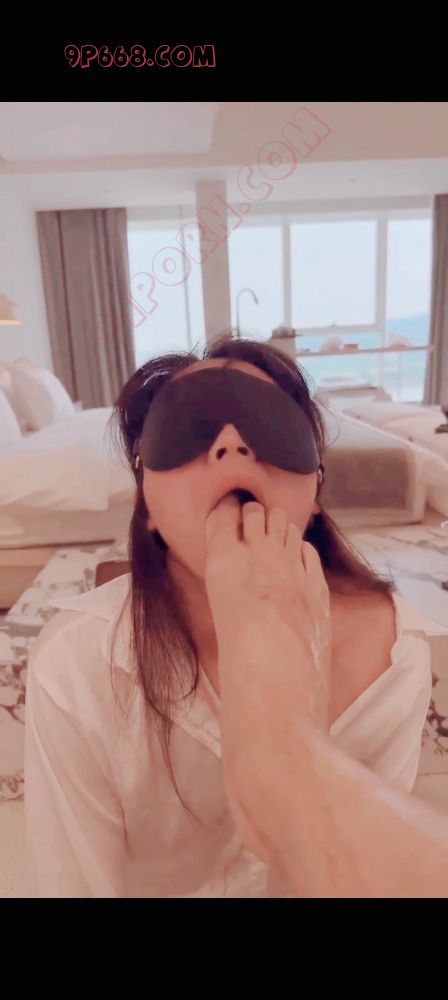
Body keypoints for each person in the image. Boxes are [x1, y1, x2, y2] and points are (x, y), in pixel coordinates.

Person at [24, 334, 433, 897]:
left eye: (270, 426)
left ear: (316, 486)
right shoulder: (74, 668)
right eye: (188, 430)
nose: (232, 446)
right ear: (145, 502)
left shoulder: (394, 652)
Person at [205, 498, 448, 897]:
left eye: (285, 462)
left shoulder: (393, 648)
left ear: (316, 488)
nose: (233, 457)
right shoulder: (94, 650)